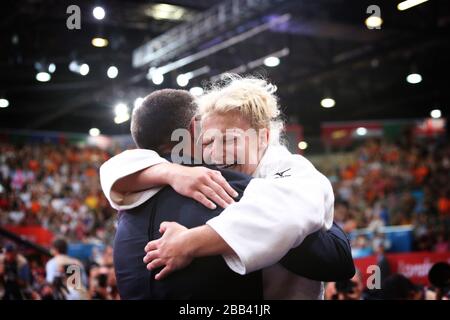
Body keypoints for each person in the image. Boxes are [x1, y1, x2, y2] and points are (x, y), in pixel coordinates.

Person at [101, 77, 353, 299]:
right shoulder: (207, 174)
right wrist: (172, 172)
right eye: (208, 141)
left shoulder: (291, 168)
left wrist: (188, 242)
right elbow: (115, 168)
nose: (217, 152)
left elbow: (285, 218)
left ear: (263, 137)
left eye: (230, 139)